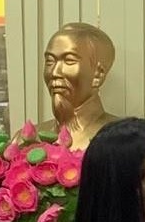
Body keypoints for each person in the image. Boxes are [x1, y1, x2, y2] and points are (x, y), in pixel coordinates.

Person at [41, 19, 117, 151]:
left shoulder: (124, 140)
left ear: (98, 74)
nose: (54, 72)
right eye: (50, 61)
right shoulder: (24, 141)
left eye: (69, 60)